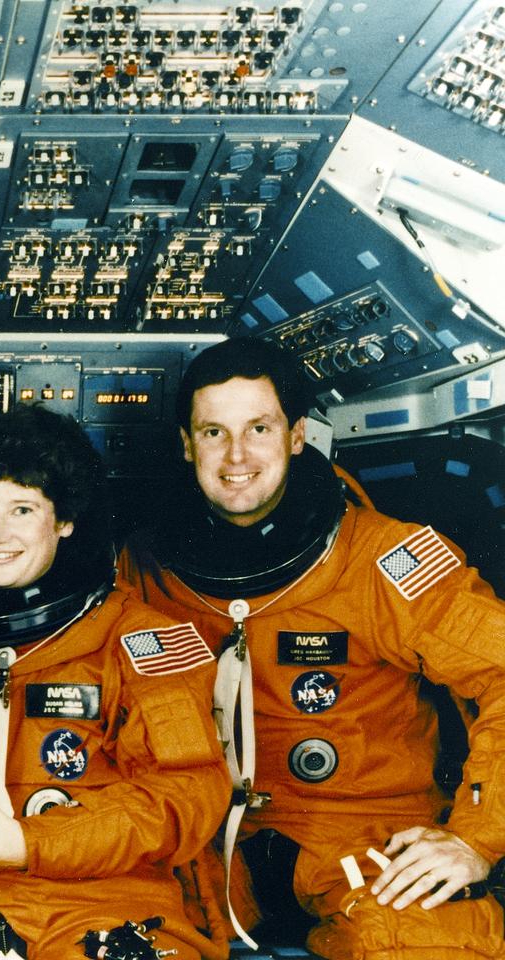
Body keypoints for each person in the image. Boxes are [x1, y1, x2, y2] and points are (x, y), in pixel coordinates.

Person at [120, 336, 505, 958]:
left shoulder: (383, 559)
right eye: (213, 432)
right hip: (201, 843)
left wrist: (476, 838)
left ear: (297, 435)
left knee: (432, 944)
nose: (236, 455)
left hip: (364, 836)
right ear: (187, 444)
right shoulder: (142, 568)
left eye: (259, 428)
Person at [0, 404, 230, 960]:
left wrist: (27, 843)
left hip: (109, 908)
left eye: (22, 509)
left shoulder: (142, 641)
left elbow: (182, 799)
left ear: (65, 520)